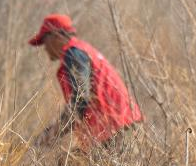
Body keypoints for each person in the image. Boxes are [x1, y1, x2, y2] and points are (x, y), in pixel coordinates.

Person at [28, 14, 143, 152]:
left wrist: (52, 134)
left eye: (44, 41)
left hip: (118, 130)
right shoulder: (82, 50)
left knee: (70, 162)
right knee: (69, 161)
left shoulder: (74, 54)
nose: (45, 48)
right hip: (123, 127)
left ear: (56, 35)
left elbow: (80, 98)